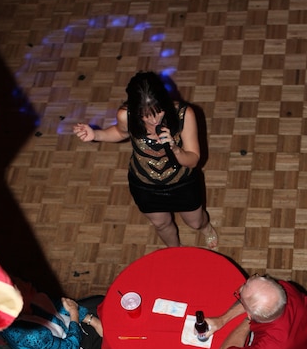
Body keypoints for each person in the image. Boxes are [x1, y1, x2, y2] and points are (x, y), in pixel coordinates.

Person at [73, 71, 218, 249]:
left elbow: (193, 160)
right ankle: (175, 251)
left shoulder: (184, 114)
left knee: (195, 223)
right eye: (145, 115)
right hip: (145, 184)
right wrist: (96, 134)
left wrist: (175, 149)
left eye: (158, 112)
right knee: (161, 224)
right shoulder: (126, 115)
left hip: (182, 182)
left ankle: (206, 228)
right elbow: (120, 132)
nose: (153, 121)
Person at [0, 280, 103, 349]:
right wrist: (74, 313)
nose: (28, 283)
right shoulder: (30, 336)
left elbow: (59, 305)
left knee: (104, 302)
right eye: (21, 288)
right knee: (114, 332)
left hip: (68, 323)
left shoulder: (28, 299)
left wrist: (92, 320)